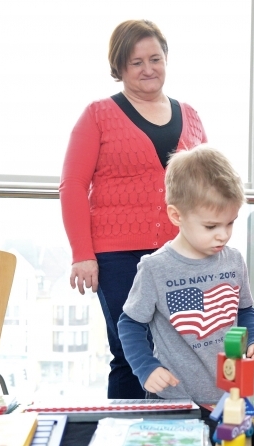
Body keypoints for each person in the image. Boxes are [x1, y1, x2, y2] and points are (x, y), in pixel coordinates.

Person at [59, 20, 208, 398]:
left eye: (154, 59)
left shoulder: (189, 115)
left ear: (166, 59)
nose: (148, 69)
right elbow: (73, 185)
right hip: (117, 257)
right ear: (119, 68)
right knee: (131, 353)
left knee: (182, 350)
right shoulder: (97, 115)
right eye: (136, 62)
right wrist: (82, 254)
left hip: (180, 255)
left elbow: (208, 184)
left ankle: (179, 439)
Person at [117, 145, 254, 405]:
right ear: (176, 215)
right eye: (211, 226)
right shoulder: (155, 268)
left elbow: (244, 311)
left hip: (228, 396)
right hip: (172, 399)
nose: (223, 234)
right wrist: (146, 368)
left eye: (230, 222)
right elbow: (129, 324)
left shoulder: (233, 260)